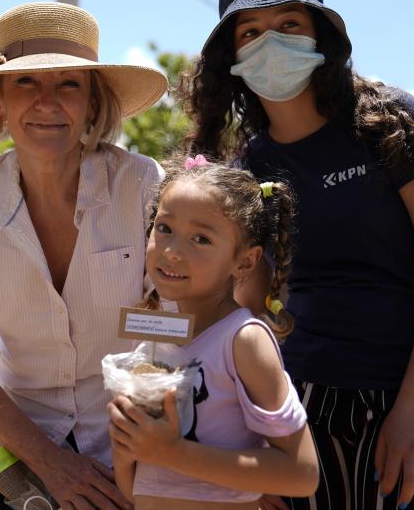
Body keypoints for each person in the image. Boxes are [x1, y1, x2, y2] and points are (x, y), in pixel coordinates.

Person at [182, 0, 414, 508]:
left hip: (410, 393)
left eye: (290, 23)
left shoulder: (391, 120)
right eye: (250, 31)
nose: (272, 41)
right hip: (297, 402)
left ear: (323, 35)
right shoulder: (249, 164)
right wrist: (250, 432)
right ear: (233, 56)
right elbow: (250, 305)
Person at [0, 1, 167, 510]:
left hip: (134, 439)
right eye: (26, 84)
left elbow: (173, 321)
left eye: (69, 84)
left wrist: (139, 445)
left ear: (93, 103)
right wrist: (52, 464)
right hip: (15, 449)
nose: (47, 103)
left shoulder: (143, 186)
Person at [107, 157, 319, 509]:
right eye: (164, 228)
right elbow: (138, 490)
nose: (172, 251)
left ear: (245, 262)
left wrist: (171, 451)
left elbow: (301, 473)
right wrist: (128, 446)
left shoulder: (244, 339)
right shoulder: (154, 346)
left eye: (201, 239)